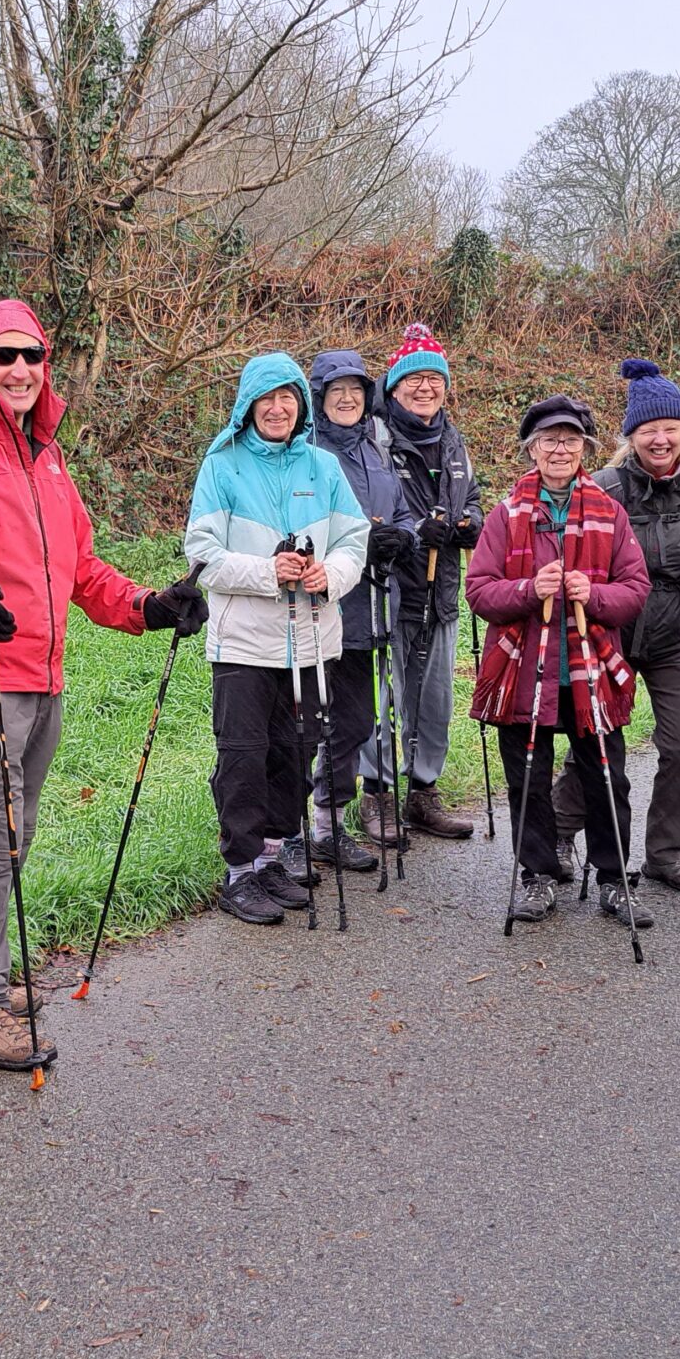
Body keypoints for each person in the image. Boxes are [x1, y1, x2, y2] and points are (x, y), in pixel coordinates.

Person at [0, 300, 207, 1069]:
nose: (19, 369)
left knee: (9, 833)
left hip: (42, 677)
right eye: (1, 356)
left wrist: (149, 606)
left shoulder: (46, 456)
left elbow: (81, 569)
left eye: (31, 355)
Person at [184, 352, 371, 923]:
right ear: (248, 405)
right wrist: (269, 572)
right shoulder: (222, 465)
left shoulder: (323, 467)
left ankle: (270, 861)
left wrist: (329, 575)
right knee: (243, 759)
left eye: (287, 397)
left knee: (295, 755)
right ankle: (239, 872)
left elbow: (354, 540)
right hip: (243, 645)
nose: (277, 408)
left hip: (311, 642)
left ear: (301, 404)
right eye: (266, 398)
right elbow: (201, 554)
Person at [467, 395, 653, 925]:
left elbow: (635, 589)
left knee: (607, 778)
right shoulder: (506, 514)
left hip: (591, 672)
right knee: (527, 778)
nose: (560, 449)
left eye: (571, 440)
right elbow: (478, 590)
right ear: (532, 449)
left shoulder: (609, 513)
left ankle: (614, 880)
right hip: (522, 671)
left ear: (585, 450)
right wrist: (529, 589)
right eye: (549, 440)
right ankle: (538, 876)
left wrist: (592, 594)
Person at [559, 358, 680, 893]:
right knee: (594, 738)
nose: (660, 440)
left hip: (675, 630)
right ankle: (559, 833)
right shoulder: (605, 487)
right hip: (610, 627)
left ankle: (667, 853)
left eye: (669, 428)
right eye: (648, 430)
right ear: (631, 437)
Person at [357, 323, 485, 846]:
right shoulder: (375, 439)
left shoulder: (452, 439)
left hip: (442, 589)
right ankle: (377, 795)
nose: (425, 388)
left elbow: (471, 496)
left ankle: (423, 792)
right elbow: (369, 505)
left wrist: (471, 523)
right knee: (384, 696)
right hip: (388, 590)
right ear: (394, 387)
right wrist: (412, 530)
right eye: (414, 379)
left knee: (434, 701)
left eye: (435, 378)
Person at [298, 350, 420, 881]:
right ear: (318, 398)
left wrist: (402, 538)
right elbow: (301, 527)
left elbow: (403, 513)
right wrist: (358, 543)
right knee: (306, 725)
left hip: (371, 609)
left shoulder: (376, 447)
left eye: (355, 389)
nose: (347, 399)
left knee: (352, 722)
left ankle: (328, 828)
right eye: (335, 391)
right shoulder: (307, 453)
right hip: (320, 609)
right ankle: (286, 833)